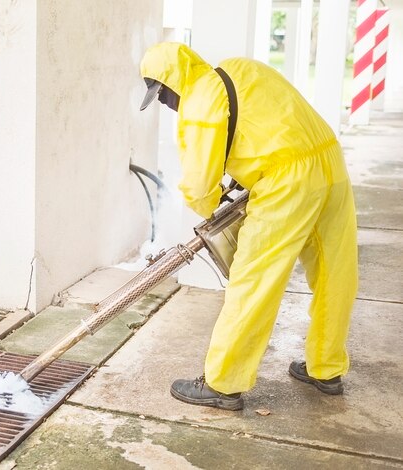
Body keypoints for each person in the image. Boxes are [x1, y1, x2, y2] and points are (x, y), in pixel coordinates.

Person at [139, 42, 358, 411]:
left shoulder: (199, 104)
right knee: (335, 271)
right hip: (328, 161)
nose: (164, 103)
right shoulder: (240, 68)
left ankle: (222, 383)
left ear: (172, 82)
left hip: (286, 183)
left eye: (161, 94)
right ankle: (327, 366)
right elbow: (270, 120)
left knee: (255, 279)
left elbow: (199, 187)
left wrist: (209, 204)